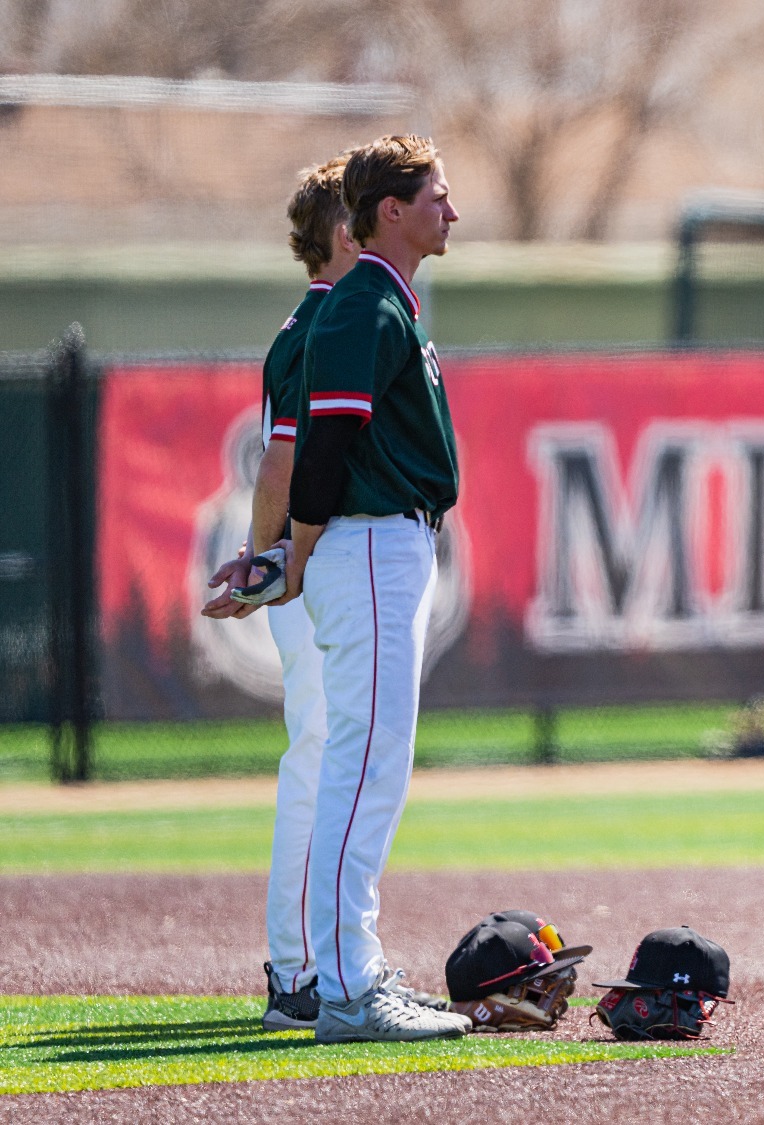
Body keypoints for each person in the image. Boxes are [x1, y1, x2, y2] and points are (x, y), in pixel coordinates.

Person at [271, 134, 467, 1043]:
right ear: (389, 210)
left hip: (386, 544)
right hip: (369, 544)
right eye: (436, 195)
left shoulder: (384, 299)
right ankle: (345, 987)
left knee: (366, 768)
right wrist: (298, 551)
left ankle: (352, 968)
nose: (450, 211)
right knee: (360, 771)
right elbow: (325, 449)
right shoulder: (361, 305)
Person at [201, 154, 363, 1031]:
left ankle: (323, 959)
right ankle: (298, 969)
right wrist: (267, 564)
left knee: (330, 755)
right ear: (346, 232)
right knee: (320, 757)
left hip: (314, 566)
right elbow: (282, 461)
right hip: (312, 569)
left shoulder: (320, 317)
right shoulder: (321, 325)